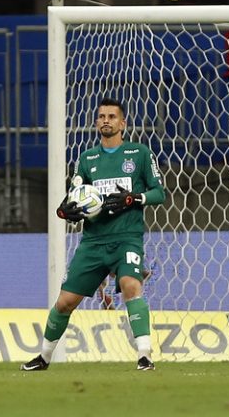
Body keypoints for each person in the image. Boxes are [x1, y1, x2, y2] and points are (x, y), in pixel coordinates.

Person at [21, 97, 165, 371]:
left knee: (131, 286)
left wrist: (132, 199)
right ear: (96, 122)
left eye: (112, 116)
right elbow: (74, 195)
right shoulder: (87, 159)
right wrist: (66, 210)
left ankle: (144, 355)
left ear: (123, 123)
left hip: (126, 239)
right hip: (93, 242)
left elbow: (160, 193)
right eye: (102, 117)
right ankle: (44, 357)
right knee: (64, 303)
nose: (106, 121)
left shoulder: (140, 154)